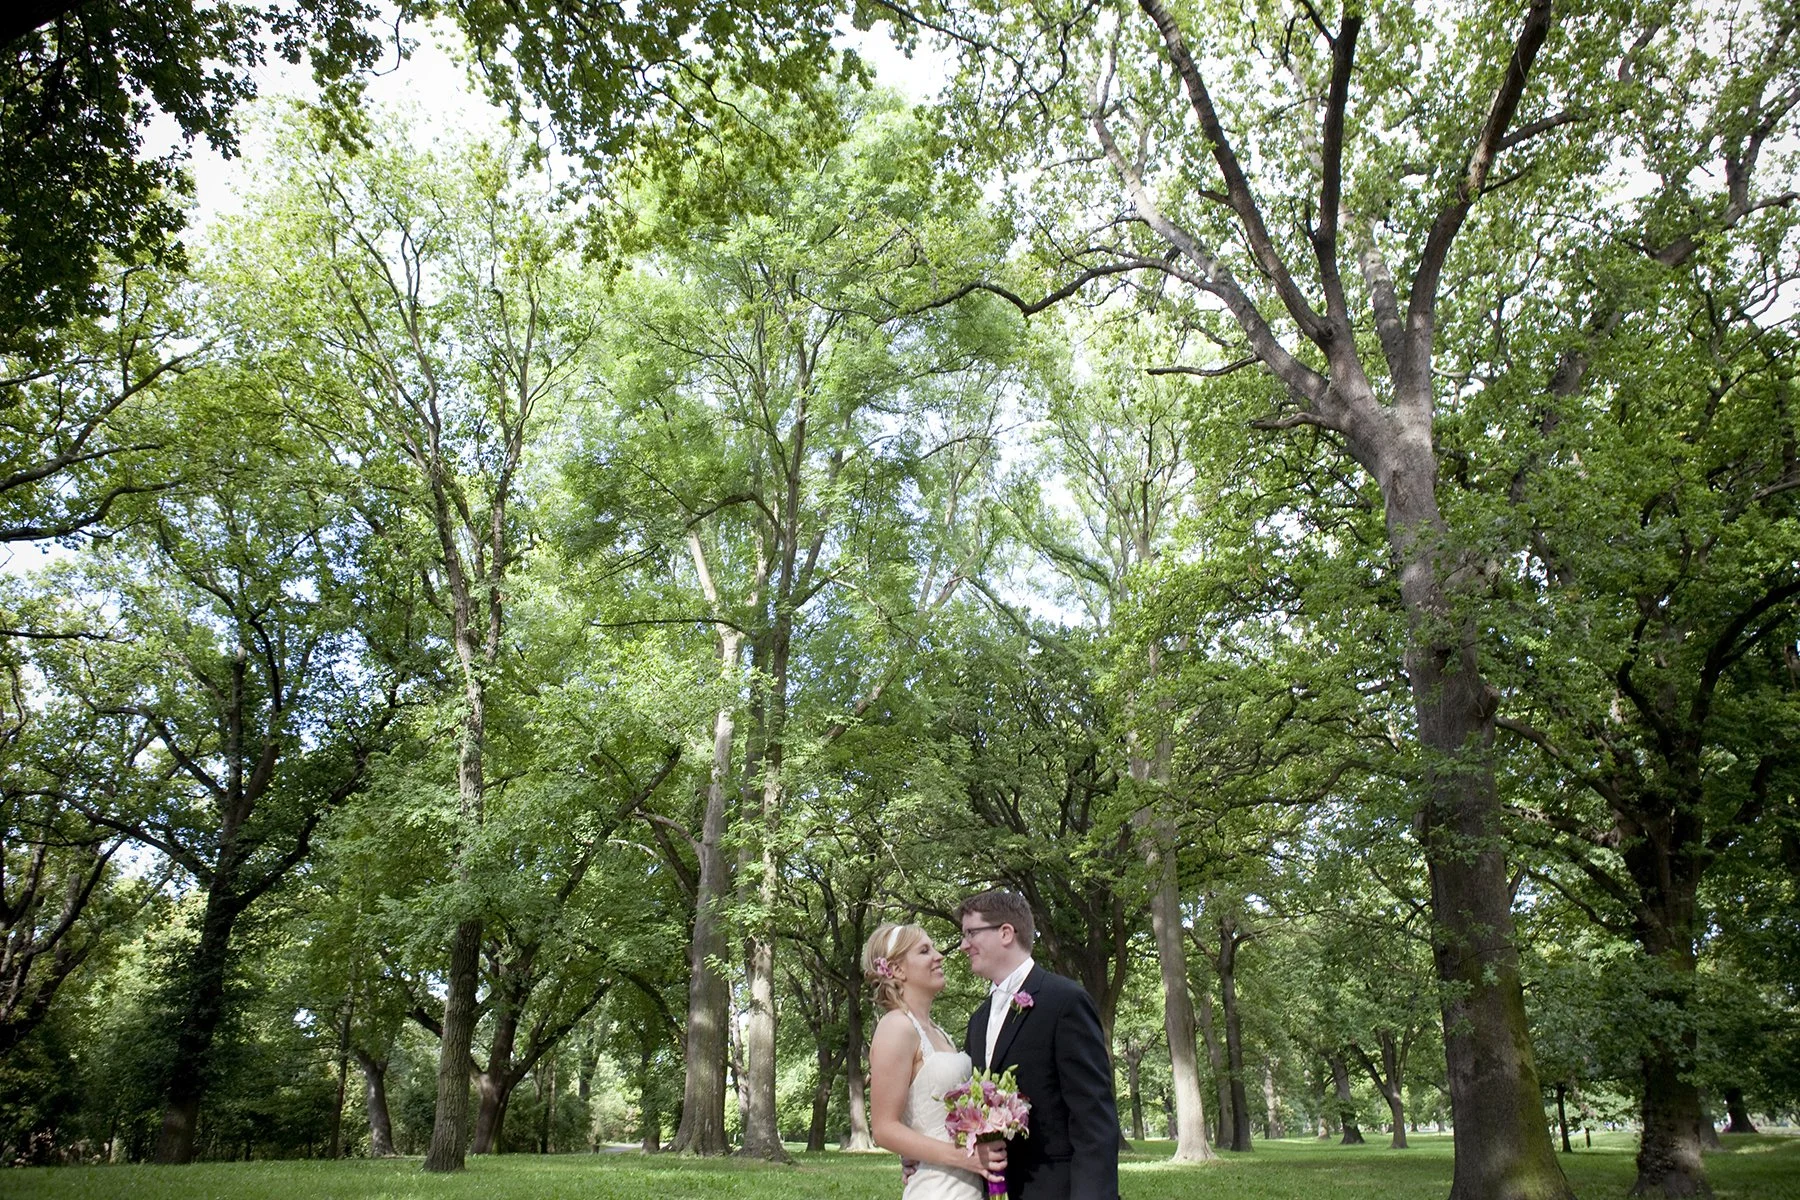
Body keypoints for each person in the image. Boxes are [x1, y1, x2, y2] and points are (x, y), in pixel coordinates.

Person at [958, 889, 1120, 1200]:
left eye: (971, 933)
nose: (964, 945)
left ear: (1006, 932)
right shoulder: (978, 1020)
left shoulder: (1065, 1001)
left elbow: (1093, 1118)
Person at [865, 922, 1008, 1199]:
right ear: (896, 970)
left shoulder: (938, 1032)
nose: (939, 955)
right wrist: (966, 1157)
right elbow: (883, 1129)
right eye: (924, 950)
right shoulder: (896, 1027)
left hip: (968, 1187)